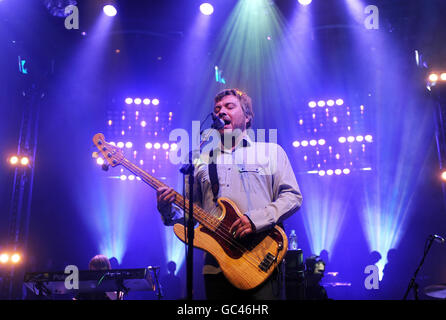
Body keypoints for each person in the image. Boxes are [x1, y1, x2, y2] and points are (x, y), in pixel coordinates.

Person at [156, 88, 303, 300]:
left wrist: (256, 220)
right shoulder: (200, 159)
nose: (221, 111)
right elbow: (189, 214)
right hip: (216, 268)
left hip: (260, 260)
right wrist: (166, 208)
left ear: (248, 117)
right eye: (217, 109)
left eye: (229, 106)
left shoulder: (271, 151)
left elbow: (292, 196)